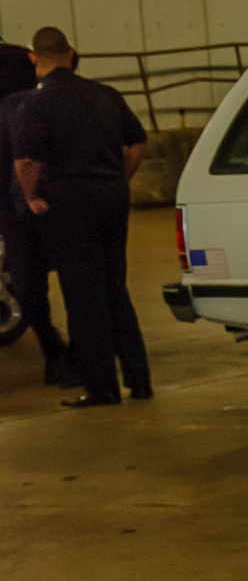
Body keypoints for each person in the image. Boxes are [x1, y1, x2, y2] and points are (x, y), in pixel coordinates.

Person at [8, 26, 149, 408]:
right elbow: (137, 143)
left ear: (34, 59)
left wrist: (31, 196)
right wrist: (119, 178)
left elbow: (27, 161)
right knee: (115, 288)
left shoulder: (37, 103)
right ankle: (139, 381)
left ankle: (101, 387)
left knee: (84, 296)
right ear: (70, 54)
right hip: (112, 199)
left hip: (70, 205)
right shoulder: (106, 94)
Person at [0, 36, 71, 384]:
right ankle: (72, 354)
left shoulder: (16, 64)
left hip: (17, 190)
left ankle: (56, 350)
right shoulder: (22, 59)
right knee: (76, 276)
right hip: (44, 185)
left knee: (29, 279)